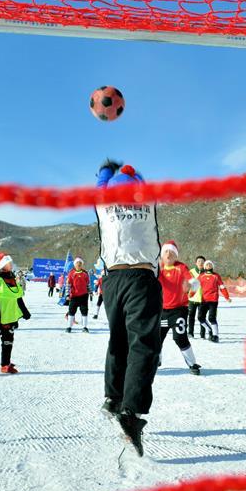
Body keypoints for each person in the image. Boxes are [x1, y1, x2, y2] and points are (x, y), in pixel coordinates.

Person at [96, 160, 162, 456]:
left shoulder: (103, 206)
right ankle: (131, 412)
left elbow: (101, 183)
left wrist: (107, 170)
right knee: (144, 345)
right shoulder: (147, 202)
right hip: (141, 277)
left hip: (113, 280)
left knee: (118, 340)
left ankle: (112, 397)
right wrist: (130, 173)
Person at [0, 252, 31, 375]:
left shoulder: (11, 279)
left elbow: (18, 297)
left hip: (10, 317)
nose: (11, 264)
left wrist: (25, 312)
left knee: (8, 342)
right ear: (2, 265)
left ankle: (5, 364)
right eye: (9, 262)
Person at [157, 241, 201, 375]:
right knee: (157, 337)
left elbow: (194, 282)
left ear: (176, 256)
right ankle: (156, 360)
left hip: (178, 310)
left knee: (180, 337)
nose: (168, 254)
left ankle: (193, 364)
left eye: (172, 252)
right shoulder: (158, 268)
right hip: (162, 311)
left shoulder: (181, 267)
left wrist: (190, 286)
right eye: (166, 251)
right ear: (162, 255)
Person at [197, 260, 230, 342]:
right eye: (207, 264)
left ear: (212, 266)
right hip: (204, 300)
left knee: (212, 318)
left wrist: (227, 297)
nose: (208, 265)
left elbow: (222, 287)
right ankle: (210, 329)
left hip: (213, 300)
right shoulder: (201, 276)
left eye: (210, 264)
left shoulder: (216, 276)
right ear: (204, 267)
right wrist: (190, 294)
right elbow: (195, 286)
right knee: (200, 318)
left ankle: (215, 335)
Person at [65, 257, 91, 333]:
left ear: (82, 265)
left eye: (80, 263)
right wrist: (67, 294)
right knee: (71, 311)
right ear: (75, 264)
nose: (79, 264)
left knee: (84, 311)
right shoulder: (71, 273)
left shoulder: (85, 273)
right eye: (77, 263)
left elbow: (88, 284)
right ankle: (69, 327)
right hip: (74, 296)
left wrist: (90, 292)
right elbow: (68, 284)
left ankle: (85, 327)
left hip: (84, 295)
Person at [187, 255, 206, 339]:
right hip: (192, 299)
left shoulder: (207, 273)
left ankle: (203, 334)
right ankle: (190, 333)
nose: (200, 263)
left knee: (202, 318)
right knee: (191, 317)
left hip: (203, 299)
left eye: (202, 262)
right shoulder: (190, 271)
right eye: (199, 262)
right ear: (196, 263)